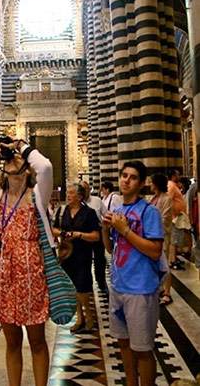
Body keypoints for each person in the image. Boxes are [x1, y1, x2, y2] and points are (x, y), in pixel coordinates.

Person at [0, 138, 54, 386]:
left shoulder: (37, 195)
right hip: (4, 275)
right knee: (12, 342)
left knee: (37, 341)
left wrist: (22, 147)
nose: (12, 158)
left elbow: (45, 168)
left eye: (17, 157)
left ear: (27, 167)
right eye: (9, 156)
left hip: (32, 274)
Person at [102, 161, 163, 386]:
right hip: (119, 286)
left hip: (141, 289)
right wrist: (105, 229)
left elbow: (155, 251)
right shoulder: (117, 211)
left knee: (143, 350)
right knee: (124, 346)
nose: (126, 180)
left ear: (142, 183)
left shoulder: (149, 211)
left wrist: (125, 230)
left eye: (133, 177)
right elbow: (110, 249)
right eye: (124, 175)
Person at [52, 183, 99, 333]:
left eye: (72, 193)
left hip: (83, 254)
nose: (68, 195)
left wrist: (78, 235)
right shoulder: (61, 211)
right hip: (67, 254)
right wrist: (61, 234)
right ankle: (80, 317)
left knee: (82, 287)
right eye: (68, 193)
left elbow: (96, 236)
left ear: (79, 197)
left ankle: (89, 313)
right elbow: (53, 228)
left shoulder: (89, 213)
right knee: (72, 287)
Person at [80, 180, 108, 293]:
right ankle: (87, 284)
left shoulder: (97, 201)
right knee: (85, 260)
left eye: (86, 189)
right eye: (82, 189)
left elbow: (106, 214)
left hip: (97, 233)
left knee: (100, 259)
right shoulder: (78, 202)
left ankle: (101, 282)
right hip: (84, 236)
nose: (84, 191)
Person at [149, 173, 173, 306]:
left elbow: (165, 219)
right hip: (152, 236)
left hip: (161, 236)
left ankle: (168, 293)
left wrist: (152, 226)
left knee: (164, 264)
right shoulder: (153, 198)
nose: (150, 185)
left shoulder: (166, 199)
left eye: (152, 182)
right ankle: (160, 288)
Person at [167, 169, 187, 270]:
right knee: (174, 240)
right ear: (173, 176)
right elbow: (168, 200)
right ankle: (172, 261)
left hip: (177, 217)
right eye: (177, 174)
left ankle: (174, 258)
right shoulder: (171, 185)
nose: (179, 176)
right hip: (175, 218)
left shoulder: (173, 185)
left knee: (177, 239)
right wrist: (175, 211)